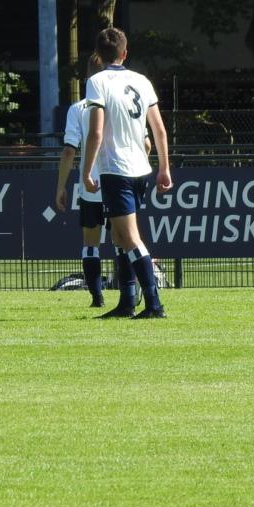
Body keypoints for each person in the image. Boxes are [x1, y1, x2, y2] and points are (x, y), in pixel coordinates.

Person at [81, 26, 173, 319]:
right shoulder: (141, 80)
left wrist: (86, 172)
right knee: (119, 238)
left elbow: (95, 132)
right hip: (140, 168)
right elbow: (158, 129)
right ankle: (126, 302)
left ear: (98, 54)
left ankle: (155, 303)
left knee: (130, 238)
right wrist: (164, 168)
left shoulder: (97, 82)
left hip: (115, 169)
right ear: (125, 52)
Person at [55, 54, 111, 308]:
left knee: (91, 243)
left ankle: (97, 296)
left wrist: (61, 187)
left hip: (91, 186)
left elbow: (69, 150)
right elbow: (145, 142)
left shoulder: (78, 109)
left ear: (87, 77)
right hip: (121, 180)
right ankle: (129, 294)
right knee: (124, 241)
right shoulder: (121, 102)